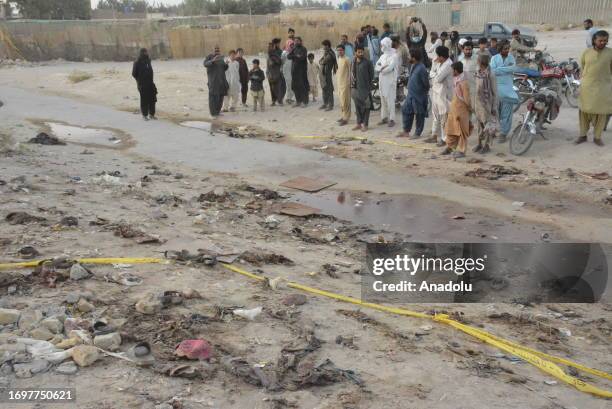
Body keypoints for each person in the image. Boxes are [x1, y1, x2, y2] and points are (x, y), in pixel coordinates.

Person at [575, 30, 611, 147]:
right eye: (600, 40)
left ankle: (597, 137)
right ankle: (582, 135)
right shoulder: (587, 52)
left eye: (605, 40)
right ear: (594, 40)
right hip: (587, 87)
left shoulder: (610, 53)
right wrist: (582, 81)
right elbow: (583, 68)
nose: (603, 42)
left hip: (603, 87)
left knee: (601, 112)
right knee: (584, 111)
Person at [442, 61, 472, 158]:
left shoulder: (464, 82)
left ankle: (462, 151)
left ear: (456, 70)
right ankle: (450, 147)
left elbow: (467, 99)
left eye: (452, 70)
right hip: (454, 109)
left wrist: (469, 109)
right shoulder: (456, 79)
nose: (451, 72)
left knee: (462, 130)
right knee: (451, 128)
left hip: (462, 110)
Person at [490, 40, 519, 142]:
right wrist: (506, 69)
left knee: (506, 113)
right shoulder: (494, 58)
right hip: (496, 89)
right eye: (505, 49)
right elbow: (492, 71)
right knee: (495, 112)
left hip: (508, 89)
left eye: (508, 48)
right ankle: (494, 130)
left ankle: (503, 133)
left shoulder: (511, 57)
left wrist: (500, 69)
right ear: (500, 49)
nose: (507, 50)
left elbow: (513, 68)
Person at [397, 49, 429, 139]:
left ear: (414, 58)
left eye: (409, 56)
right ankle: (406, 131)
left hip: (418, 96)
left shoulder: (421, 68)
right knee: (406, 110)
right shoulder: (413, 65)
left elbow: (426, 84)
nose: (408, 57)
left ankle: (417, 133)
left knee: (419, 114)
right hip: (410, 94)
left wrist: (422, 93)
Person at [425, 45, 453, 146]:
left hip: (444, 94)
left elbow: (438, 78)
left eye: (437, 56)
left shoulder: (448, 65)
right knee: (435, 115)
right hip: (436, 92)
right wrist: (434, 66)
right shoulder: (438, 62)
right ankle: (434, 135)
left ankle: (444, 139)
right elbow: (432, 72)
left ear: (442, 56)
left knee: (444, 116)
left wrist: (434, 74)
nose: (436, 58)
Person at [473, 54, 498, 154]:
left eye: (478, 61)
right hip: (478, 102)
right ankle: (479, 143)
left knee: (487, 125)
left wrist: (494, 106)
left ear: (480, 62)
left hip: (487, 104)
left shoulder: (491, 74)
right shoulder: (478, 72)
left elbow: (495, 92)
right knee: (479, 124)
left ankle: (486, 145)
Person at [375, 37, 399, 128]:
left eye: (382, 45)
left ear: (386, 45)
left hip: (390, 82)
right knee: (383, 100)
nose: (381, 46)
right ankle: (384, 117)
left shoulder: (394, 56)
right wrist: (382, 68)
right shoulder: (382, 56)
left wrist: (382, 69)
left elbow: (390, 68)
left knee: (390, 101)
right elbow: (376, 66)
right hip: (382, 81)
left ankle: (392, 119)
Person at [351, 45, 374, 132]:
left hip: (365, 89)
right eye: (358, 52)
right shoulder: (353, 62)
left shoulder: (368, 62)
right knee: (357, 107)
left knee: (366, 107)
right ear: (355, 52)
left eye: (362, 52)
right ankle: (358, 124)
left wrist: (367, 86)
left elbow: (371, 75)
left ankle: (365, 124)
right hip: (355, 88)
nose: (360, 53)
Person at [132, 48, 157, 121]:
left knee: (152, 99)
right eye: (145, 52)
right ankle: (144, 115)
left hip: (150, 83)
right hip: (142, 84)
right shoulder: (137, 62)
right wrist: (139, 80)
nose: (146, 53)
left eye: (146, 52)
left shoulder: (148, 60)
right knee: (144, 100)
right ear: (141, 53)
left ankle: (152, 114)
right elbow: (134, 74)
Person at [203, 46, 229, 118]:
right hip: (213, 82)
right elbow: (205, 64)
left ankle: (217, 112)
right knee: (213, 98)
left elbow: (224, 68)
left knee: (220, 97)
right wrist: (212, 61)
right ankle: (213, 114)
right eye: (215, 50)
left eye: (218, 50)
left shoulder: (221, 58)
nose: (217, 51)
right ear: (213, 50)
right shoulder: (209, 57)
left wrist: (226, 64)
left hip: (221, 82)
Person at [287, 36, 309, 107]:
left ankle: (304, 102)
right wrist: (296, 56)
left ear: (300, 41)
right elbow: (288, 56)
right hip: (294, 71)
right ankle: (298, 101)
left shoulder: (304, 49)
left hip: (302, 71)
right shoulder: (294, 48)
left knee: (302, 86)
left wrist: (295, 56)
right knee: (295, 86)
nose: (296, 42)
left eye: (297, 41)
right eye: (295, 41)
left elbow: (302, 58)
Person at [319, 39, 337, 111]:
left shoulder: (330, 54)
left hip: (327, 74)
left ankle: (330, 105)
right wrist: (322, 61)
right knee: (324, 88)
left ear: (327, 46)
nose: (323, 48)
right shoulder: (326, 53)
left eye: (324, 46)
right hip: (323, 74)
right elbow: (320, 61)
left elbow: (322, 61)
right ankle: (325, 103)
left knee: (329, 89)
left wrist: (322, 61)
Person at [336, 44, 351, 126]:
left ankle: (346, 118)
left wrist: (349, 82)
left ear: (344, 50)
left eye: (341, 50)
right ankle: (343, 116)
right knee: (341, 101)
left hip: (346, 83)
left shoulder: (347, 59)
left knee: (346, 101)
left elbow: (350, 71)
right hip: (339, 83)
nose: (339, 52)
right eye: (338, 50)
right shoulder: (339, 59)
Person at [459, 41, 477, 107]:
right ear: (463, 50)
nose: (468, 51)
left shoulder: (477, 60)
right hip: (462, 90)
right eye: (466, 49)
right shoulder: (460, 60)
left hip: (474, 90)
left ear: (472, 49)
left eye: (470, 49)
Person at [267, 39, 285, 106]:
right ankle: (273, 100)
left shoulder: (280, 52)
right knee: (272, 87)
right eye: (276, 44)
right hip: (270, 72)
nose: (278, 45)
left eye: (278, 43)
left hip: (278, 71)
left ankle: (280, 100)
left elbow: (281, 61)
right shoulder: (270, 52)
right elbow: (268, 62)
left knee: (279, 86)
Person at [283, 28, 296, 104]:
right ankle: (288, 98)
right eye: (289, 33)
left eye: (292, 32)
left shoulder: (296, 42)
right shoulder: (287, 43)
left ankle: (290, 97)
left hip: (294, 63)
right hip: (287, 65)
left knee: (293, 81)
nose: (291, 34)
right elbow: (283, 55)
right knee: (289, 81)